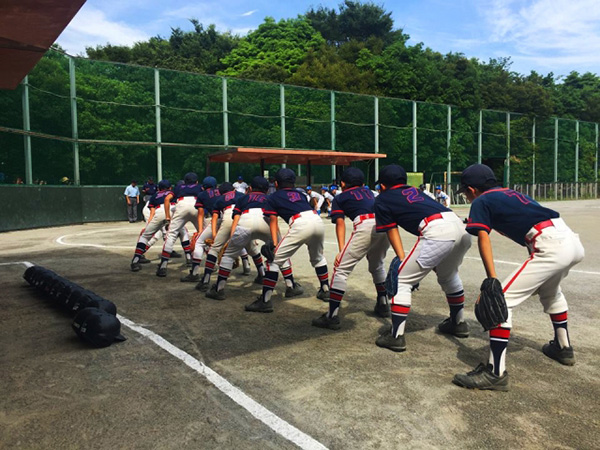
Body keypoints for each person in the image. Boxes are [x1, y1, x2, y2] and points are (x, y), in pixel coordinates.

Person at [452, 164, 585, 391]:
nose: (465, 195)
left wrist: (491, 280)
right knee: (551, 292)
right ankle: (563, 348)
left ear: (473, 189)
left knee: (500, 301)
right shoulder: (511, 192)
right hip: (569, 240)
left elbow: (484, 238)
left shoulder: (481, 201)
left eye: (465, 191)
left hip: (550, 244)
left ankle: (495, 373)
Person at [373, 164, 472, 353]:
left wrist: (402, 259)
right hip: (459, 226)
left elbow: (391, 230)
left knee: (401, 279)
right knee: (449, 276)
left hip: (438, 231)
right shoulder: (415, 191)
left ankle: (396, 336)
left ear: (383, 185)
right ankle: (458, 323)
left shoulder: (383, 198)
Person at [312, 167, 391, 331]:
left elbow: (340, 223)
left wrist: (341, 250)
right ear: (363, 183)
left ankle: (332, 316)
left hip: (365, 225)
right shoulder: (371, 193)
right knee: (377, 264)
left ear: (342, 183)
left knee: (341, 269)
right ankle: (383, 304)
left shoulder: (341, 197)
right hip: (385, 225)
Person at [245, 168, 330, 313]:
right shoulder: (301, 194)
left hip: (300, 224)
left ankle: (265, 301)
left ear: (276, 183)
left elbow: (273, 220)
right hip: (317, 221)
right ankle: (325, 289)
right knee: (318, 258)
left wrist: (274, 242)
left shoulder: (273, 197)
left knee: (274, 260)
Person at [130, 180, 189, 271]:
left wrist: (149, 225)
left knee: (146, 236)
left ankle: (135, 260)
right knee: (181, 232)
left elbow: (152, 211)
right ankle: (188, 258)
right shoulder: (173, 192)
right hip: (170, 209)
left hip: (156, 211)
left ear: (158, 188)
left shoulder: (155, 195)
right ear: (170, 188)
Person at [155, 172, 201, 277]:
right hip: (196, 205)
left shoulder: (179, 187)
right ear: (196, 181)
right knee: (204, 235)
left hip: (182, 205)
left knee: (171, 235)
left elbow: (167, 199)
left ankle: (163, 266)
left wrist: (167, 217)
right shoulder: (199, 187)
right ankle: (210, 264)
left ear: (184, 182)